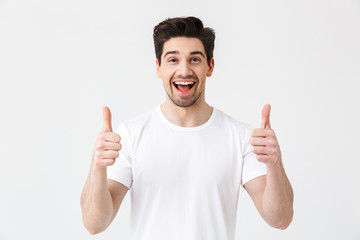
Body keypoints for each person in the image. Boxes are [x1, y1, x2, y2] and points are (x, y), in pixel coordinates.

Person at [80, 16, 294, 240]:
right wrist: (98, 167)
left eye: (195, 59)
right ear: (158, 68)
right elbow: (95, 223)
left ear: (209, 67)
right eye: (173, 60)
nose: (184, 70)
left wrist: (274, 165)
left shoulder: (240, 136)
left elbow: (280, 219)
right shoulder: (130, 135)